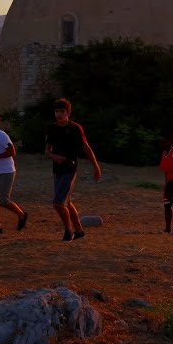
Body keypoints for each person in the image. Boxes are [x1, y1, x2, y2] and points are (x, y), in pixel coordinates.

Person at [44, 98, 101, 242]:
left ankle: (68, 231)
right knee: (66, 202)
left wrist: (96, 167)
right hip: (57, 169)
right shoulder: (52, 127)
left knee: (58, 203)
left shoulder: (75, 128)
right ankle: (80, 231)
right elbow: (47, 151)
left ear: (68, 112)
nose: (59, 114)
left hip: (70, 168)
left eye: (62, 111)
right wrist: (54, 156)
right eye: (56, 111)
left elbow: (86, 148)